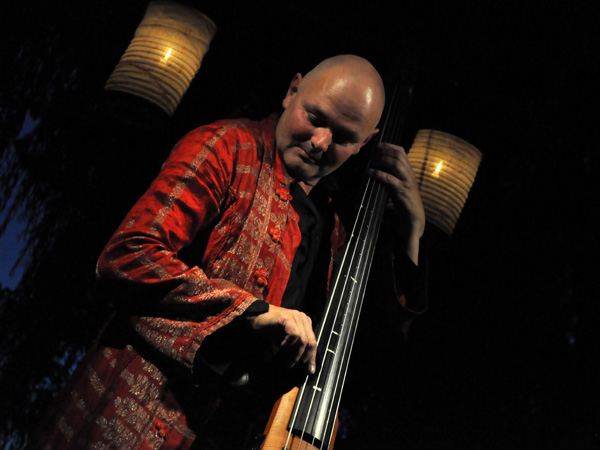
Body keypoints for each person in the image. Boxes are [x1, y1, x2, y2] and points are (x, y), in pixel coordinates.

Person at [29, 54, 427, 449]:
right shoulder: (226, 147)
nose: (321, 142)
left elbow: (372, 352)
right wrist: (254, 312)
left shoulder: (333, 226)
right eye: (316, 118)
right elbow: (128, 255)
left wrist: (412, 229)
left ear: (365, 144)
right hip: (138, 420)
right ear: (292, 91)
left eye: (343, 138)